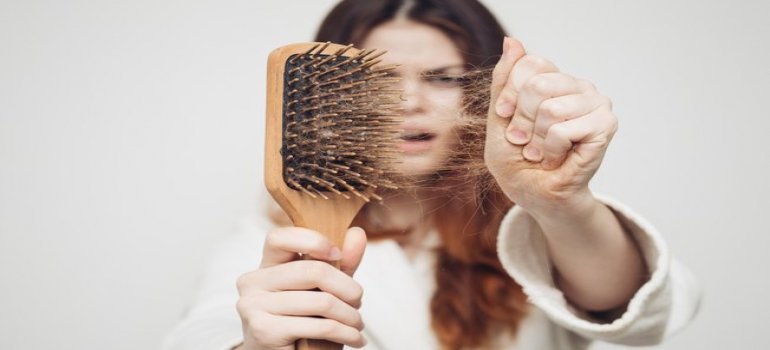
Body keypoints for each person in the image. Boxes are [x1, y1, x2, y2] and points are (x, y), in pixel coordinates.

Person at [163, 0, 700, 349]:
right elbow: (205, 329)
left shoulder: (537, 230)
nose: (407, 102)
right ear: (327, 95)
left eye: (442, 78)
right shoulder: (277, 242)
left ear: (486, 91)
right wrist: (254, 341)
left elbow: (644, 314)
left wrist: (561, 203)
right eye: (381, 78)